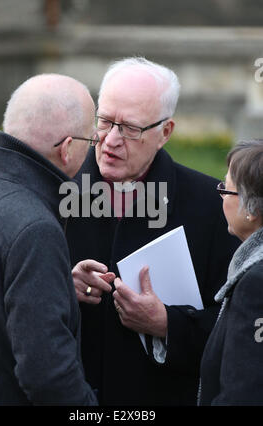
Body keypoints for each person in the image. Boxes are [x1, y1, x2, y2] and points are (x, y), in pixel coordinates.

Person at [65, 57, 240, 405]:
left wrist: (167, 324)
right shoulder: (55, 189)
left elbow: (238, 328)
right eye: (105, 121)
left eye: (130, 128)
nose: (110, 140)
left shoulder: (216, 206)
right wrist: (60, 284)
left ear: (165, 132)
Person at [0, 73, 98, 405]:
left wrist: (54, 288)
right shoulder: (35, 229)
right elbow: (48, 377)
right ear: (67, 149)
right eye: (91, 142)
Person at [199, 139, 263, 406]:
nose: (221, 196)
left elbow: (242, 391)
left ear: (251, 210)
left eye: (227, 189)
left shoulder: (255, 285)